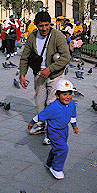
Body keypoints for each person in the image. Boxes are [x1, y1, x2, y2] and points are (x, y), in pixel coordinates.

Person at [19, 11, 70, 144]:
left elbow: (66, 57)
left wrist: (50, 69)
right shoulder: (32, 37)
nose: (44, 29)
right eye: (41, 26)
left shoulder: (57, 36)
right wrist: (22, 75)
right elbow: (24, 57)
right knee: (39, 102)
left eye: (47, 25)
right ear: (36, 25)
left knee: (52, 103)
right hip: (39, 75)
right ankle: (42, 125)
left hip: (55, 75)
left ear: (50, 24)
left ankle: (51, 132)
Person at [28, 79, 78, 179]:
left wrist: (74, 126)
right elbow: (42, 114)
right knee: (63, 148)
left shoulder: (72, 103)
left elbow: (72, 115)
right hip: (53, 131)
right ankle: (56, 169)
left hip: (64, 129)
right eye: (64, 94)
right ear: (57, 95)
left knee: (57, 148)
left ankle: (49, 163)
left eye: (70, 94)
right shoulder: (53, 107)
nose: (67, 97)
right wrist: (32, 122)